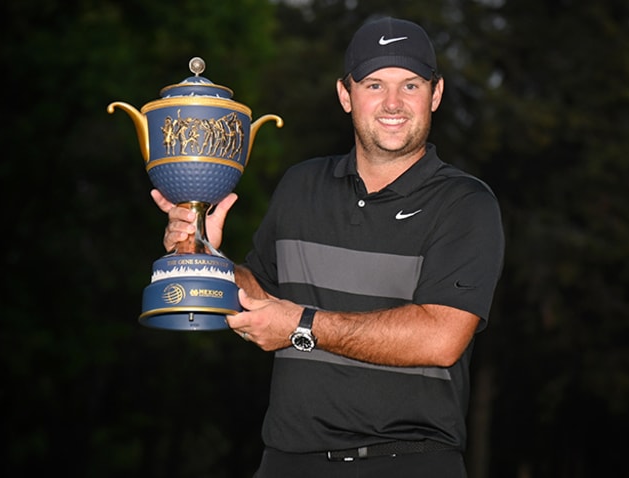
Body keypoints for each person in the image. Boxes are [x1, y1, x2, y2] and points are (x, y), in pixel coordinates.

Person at [152, 16, 504, 478]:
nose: (393, 103)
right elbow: (256, 296)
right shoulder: (301, 185)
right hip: (286, 461)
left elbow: (440, 337)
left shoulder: (465, 203)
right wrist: (203, 256)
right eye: (374, 84)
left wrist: (301, 326)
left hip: (410, 462)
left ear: (435, 95)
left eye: (411, 85)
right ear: (345, 95)